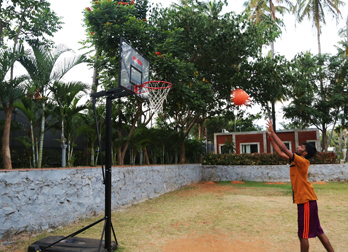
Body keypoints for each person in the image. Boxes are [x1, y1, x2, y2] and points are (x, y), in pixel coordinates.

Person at [266, 119, 334, 252]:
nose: (298, 147)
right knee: (318, 231)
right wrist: (271, 140)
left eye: (301, 147)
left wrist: (273, 133)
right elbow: (280, 153)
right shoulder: (295, 160)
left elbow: (284, 148)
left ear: (305, 153)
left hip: (306, 201)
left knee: (303, 234)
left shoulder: (302, 161)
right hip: (307, 201)